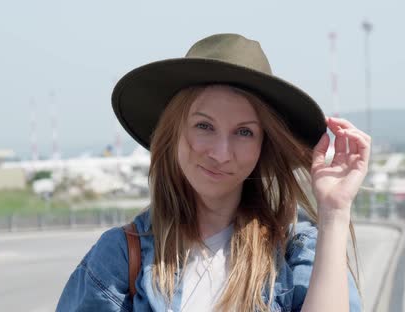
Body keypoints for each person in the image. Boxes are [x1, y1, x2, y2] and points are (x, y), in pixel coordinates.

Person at [56, 33, 369, 312]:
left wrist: (335, 212)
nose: (221, 153)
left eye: (244, 132)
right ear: (173, 132)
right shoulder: (123, 256)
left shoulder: (295, 250)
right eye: (204, 126)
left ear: (263, 146)